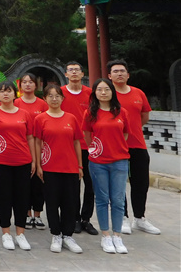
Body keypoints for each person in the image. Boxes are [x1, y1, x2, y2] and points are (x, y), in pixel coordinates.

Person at [107, 59, 160, 235]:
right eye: (115, 71)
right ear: (109, 76)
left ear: (128, 75)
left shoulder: (138, 93)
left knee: (141, 183)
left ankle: (139, 218)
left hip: (137, 144)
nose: (119, 74)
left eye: (122, 71)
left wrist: (131, 130)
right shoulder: (107, 95)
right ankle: (122, 217)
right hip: (115, 146)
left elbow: (144, 116)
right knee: (118, 183)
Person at [0, 80, 35, 251]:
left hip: (23, 161)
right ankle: (6, 233)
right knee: (4, 197)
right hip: (1, 162)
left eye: (9, 91)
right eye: (2, 91)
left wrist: (33, 160)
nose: (5, 94)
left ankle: (20, 234)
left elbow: (30, 138)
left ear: (15, 94)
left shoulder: (24, 114)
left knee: (22, 198)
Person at [34, 84, 84, 254]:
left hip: (70, 167)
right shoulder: (40, 119)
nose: (54, 99)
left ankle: (68, 235)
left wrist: (79, 165)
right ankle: (56, 234)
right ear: (45, 99)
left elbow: (77, 142)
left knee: (70, 202)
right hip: (50, 167)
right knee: (52, 202)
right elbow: (37, 143)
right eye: (50, 96)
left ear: (62, 98)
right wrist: (38, 165)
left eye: (57, 96)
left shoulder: (71, 118)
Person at [83, 78, 131, 254]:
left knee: (118, 199)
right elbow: (87, 135)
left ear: (112, 92)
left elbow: (125, 133)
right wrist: (96, 149)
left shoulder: (121, 112)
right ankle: (106, 235)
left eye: (107, 89)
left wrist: (115, 147)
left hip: (120, 161)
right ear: (94, 93)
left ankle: (117, 235)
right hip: (98, 163)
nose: (103, 93)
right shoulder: (90, 113)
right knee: (102, 199)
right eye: (99, 90)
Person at [60, 61, 98, 236]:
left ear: (83, 74)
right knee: (72, 185)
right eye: (71, 70)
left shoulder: (91, 94)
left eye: (77, 70)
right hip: (68, 146)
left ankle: (86, 219)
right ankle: (74, 218)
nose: (74, 72)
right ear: (66, 74)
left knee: (91, 184)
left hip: (89, 145)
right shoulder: (60, 93)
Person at [14, 73, 48, 230]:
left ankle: (38, 215)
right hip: (21, 146)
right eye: (25, 82)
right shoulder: (16, 103)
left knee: (39, 182)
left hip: (40, 145)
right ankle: (27, 214)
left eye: (31, 82)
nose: (27, 84)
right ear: (20, 85)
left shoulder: (43, 104)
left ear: (36, 85)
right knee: (24, 183)